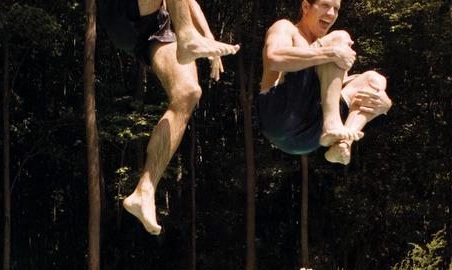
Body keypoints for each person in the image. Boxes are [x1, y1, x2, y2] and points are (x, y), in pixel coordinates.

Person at [101, 0, 240, 235]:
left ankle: (145, 190)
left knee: (188, 93)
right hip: (122, 11)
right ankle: (187, 37)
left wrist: (207, 37)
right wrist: (190, 34)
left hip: (153, 30)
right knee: (185, 45)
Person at [257, 0, 392, 165]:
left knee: (374, 80)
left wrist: (384, 105)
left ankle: (342, 145)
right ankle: (332, 124)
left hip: (308, 140)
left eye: (336, 9)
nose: (331, 14)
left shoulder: (331, 59)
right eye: (325, 6)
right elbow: (274, 58)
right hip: (278, 115)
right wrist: (332, 52)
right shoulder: (286, 28)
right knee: (340, 37)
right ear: (306, 7)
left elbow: (338, 89)